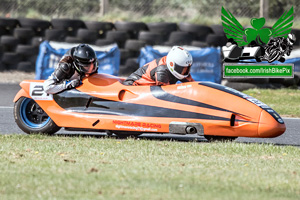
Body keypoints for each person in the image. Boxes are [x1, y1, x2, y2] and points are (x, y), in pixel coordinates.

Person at [123, 46, 194, 86]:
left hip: (149, 89)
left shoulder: (182, 72)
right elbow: (167, 94)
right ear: (172, 64)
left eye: (187, 69)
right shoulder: (162, 71)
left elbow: (192, 84)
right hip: (133, 86)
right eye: (182, 69)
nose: (184, 72)